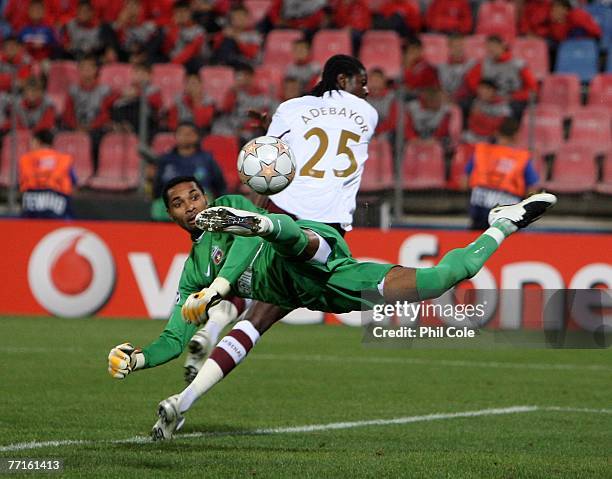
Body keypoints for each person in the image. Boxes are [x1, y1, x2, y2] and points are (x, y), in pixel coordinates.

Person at [106, 176, 556, 440]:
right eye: (179, 204)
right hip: (321, 288)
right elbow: (171, 338)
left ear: (208, 199)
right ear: (170, 216)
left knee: (280, 235)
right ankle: (501, 225)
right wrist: (139, 358)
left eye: (195, 197)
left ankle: (269, 224)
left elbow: (244, 249)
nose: (192, 207)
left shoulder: (231, 208)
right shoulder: (192, 275)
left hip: (302, 250)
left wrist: (221, 287)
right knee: (442, 279)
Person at [463, 118, 541, 230]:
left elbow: (464, 183)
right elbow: (532, 191)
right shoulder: (522, 158)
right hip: (508, 219)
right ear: (516, 135)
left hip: (479, 215)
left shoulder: (481, 152)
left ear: (497, 133)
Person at [151, 122, 227, 221]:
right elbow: (157, 187)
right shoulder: (166, 160)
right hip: (174, 200)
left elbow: (219, 184)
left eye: (189, 134)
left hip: (198, 200)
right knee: (158, 206)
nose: (184, 137)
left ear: (197, 137)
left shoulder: (207, 159)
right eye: (181, 134)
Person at [19, 130, 76, 219]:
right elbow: (73, 181)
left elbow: (21, 181)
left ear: (36, 141)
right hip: (59, 205)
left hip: (32, 205)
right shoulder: (64, 159)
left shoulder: (26, 159)